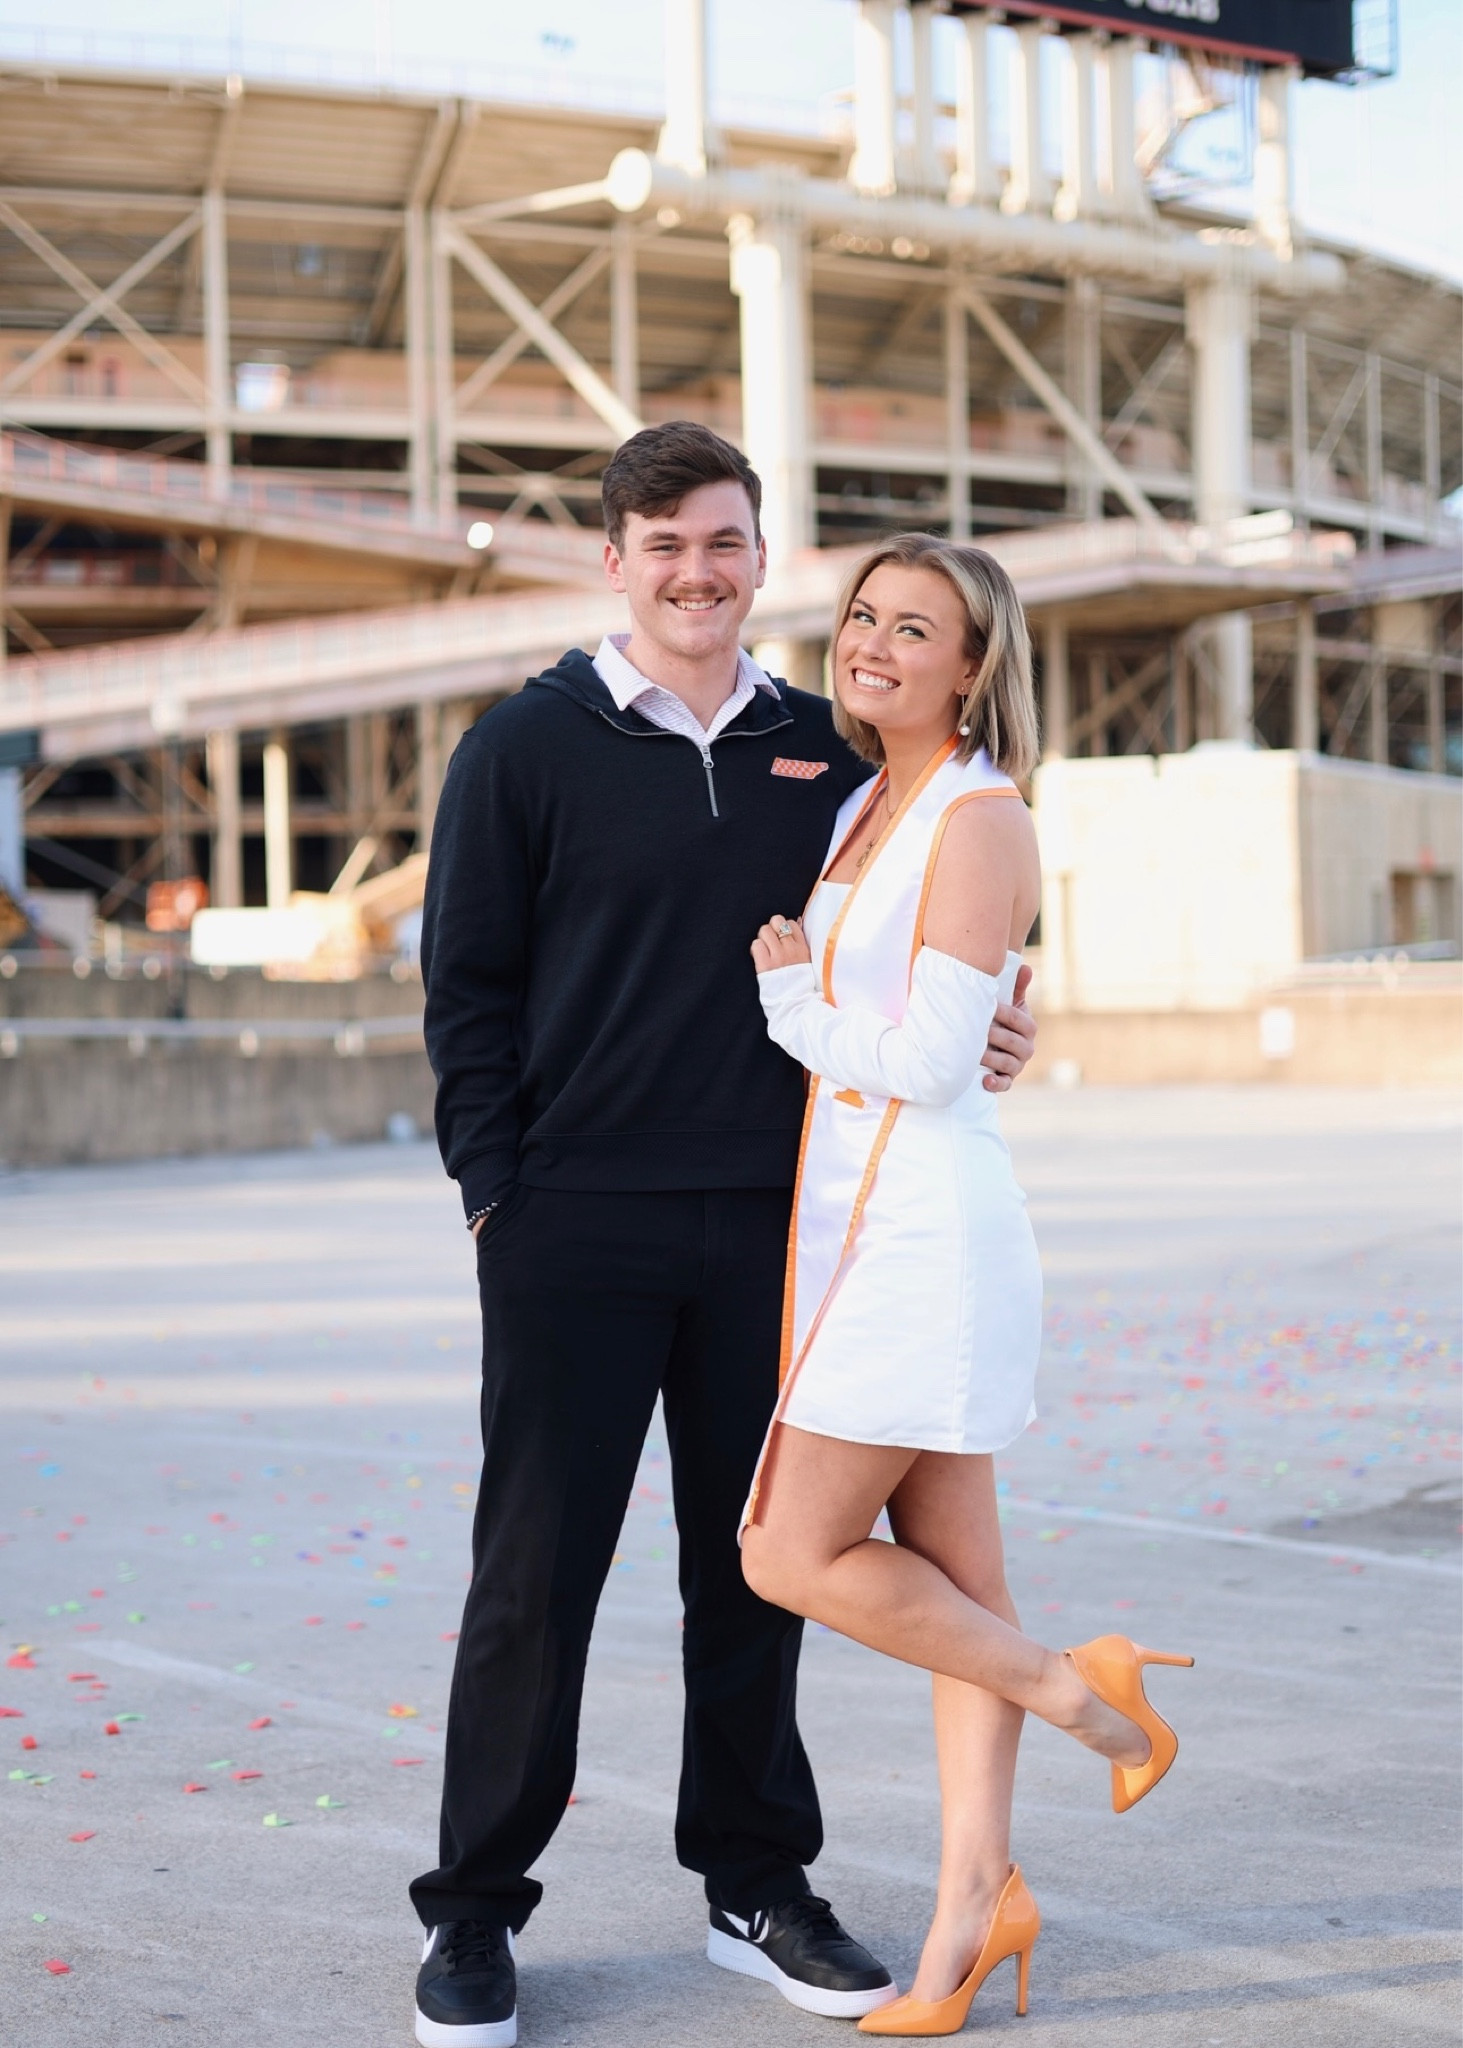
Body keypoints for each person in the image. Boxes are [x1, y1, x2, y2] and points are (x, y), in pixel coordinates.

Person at [412, 424, 1038, 2048]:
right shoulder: (522, 750)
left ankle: (756, 1883)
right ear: (614, 561)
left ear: (762, 558)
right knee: (534, 1580)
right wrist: (500, 1197)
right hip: (573, 1226)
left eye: (726, 542)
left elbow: (927, 950)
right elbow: (464, 995)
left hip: (780, 1233)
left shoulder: (825, 758)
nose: (699, 571)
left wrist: (1004, 1031)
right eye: (665, 543)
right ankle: (475, 1913)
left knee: (749, 1579)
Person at [742, 532, 1193, 2038]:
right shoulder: (874, 793)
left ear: (974, 665)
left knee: (784, 1552)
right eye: (862, 615)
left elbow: (934, 1066)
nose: (872, 643)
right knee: (960, 1590)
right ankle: (973, 1906)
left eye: (912, 627)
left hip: (926, 1242)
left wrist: (792, 1000)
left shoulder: (981, 817)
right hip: (867, 1228)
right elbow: (957, 1020)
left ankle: (1083, 1695)